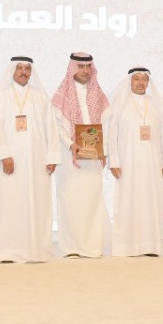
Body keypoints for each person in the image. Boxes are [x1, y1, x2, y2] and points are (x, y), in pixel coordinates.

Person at [0, 56, 61, 263]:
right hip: (10, 162)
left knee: (38, 203)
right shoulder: (1, 97)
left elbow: (50, 128)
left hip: (38, 161)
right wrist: (4, 154)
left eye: (27, 68)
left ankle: (37, 250)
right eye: (19, 68)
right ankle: (8, 251)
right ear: (12, 70)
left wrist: (52, 155)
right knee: (10, 204)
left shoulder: (40, 97)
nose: (23, 72)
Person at [52, 53, 111, 258]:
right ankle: (71, 247)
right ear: (72, 69)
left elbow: (106, 124)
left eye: (88, 67)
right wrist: (71, 144)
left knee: (92, 199)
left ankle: (92, 246)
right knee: (70, 200)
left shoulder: (97, 94)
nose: (85, 71)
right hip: (70, 157)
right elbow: (57, 127)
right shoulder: (62, 94)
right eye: (81, 67)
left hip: (93, 157)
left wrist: (104, 149)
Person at [106, 67, 163, 257]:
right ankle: (126, 246)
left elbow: (162, 136)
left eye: (144, 79)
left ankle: (150, 246)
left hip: (151, 164)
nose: (141, 83)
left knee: (151, 202)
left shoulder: (156, 105)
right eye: (137, 79)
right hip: (128, 163)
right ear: (129, 82)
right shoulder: (119, 105)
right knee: (128, 202)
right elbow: (111, 136)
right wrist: (114, 161)